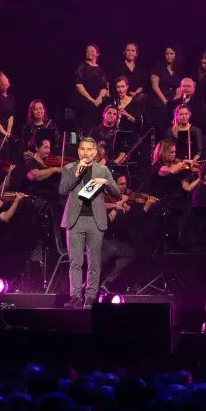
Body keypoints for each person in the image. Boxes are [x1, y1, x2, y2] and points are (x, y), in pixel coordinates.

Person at [59, 136, 121, 306]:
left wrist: (106, 182)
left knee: (94, 262)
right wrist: (76, 174)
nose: (85, 152)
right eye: (82, 149)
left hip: (95, 220)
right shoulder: (70, 168)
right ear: (79, 151)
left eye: (89, 149)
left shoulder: (102, 169)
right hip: (75, 220)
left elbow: (117, 193)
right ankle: (76, 296)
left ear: (94, 153)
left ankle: (91, 296)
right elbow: (63, 189)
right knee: (76, 261)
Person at [72, 44, 107, 131]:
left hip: (97, 100)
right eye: (87, 51)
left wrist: (99, 98)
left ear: (97, 53)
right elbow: (78, 84)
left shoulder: (100, 69)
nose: (89, 52)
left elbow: (104, 87)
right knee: (89, 114)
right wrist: (91, 99)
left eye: (92, 51)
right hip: (84, 99)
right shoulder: (82, 66)